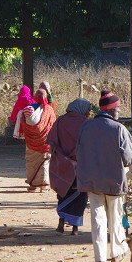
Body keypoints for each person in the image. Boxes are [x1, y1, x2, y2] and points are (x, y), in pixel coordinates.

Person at [76, 90, 132, 262]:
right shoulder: (119, 129)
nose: (118, 111)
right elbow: (129, 158)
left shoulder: (86, 128)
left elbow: (78, 153)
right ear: (110, 110)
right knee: (115, 217)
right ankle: (117, 252)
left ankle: (100, 258)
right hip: (114, 181)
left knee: (97, 218)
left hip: (92, 181)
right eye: (117, 108)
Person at [47, 98, 92, 235]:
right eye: (88, 110)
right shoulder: (86, 124)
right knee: (80, 196)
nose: (89, 113)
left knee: (63, 193)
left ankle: (61, 223)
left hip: (62, 164)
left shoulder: (60, 121)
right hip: (81, 165)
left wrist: (61, 156)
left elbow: (51, 141)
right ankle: (75, 229)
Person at [21, 88, 56, 192]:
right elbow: (52, 125)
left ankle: (32, 185)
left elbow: (23, 122)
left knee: (31, 163)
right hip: (45, 142)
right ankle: (43, 186)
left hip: (30, 142)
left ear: (35, 97)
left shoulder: (29, 108)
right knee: (44, 163)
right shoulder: (49, 110)